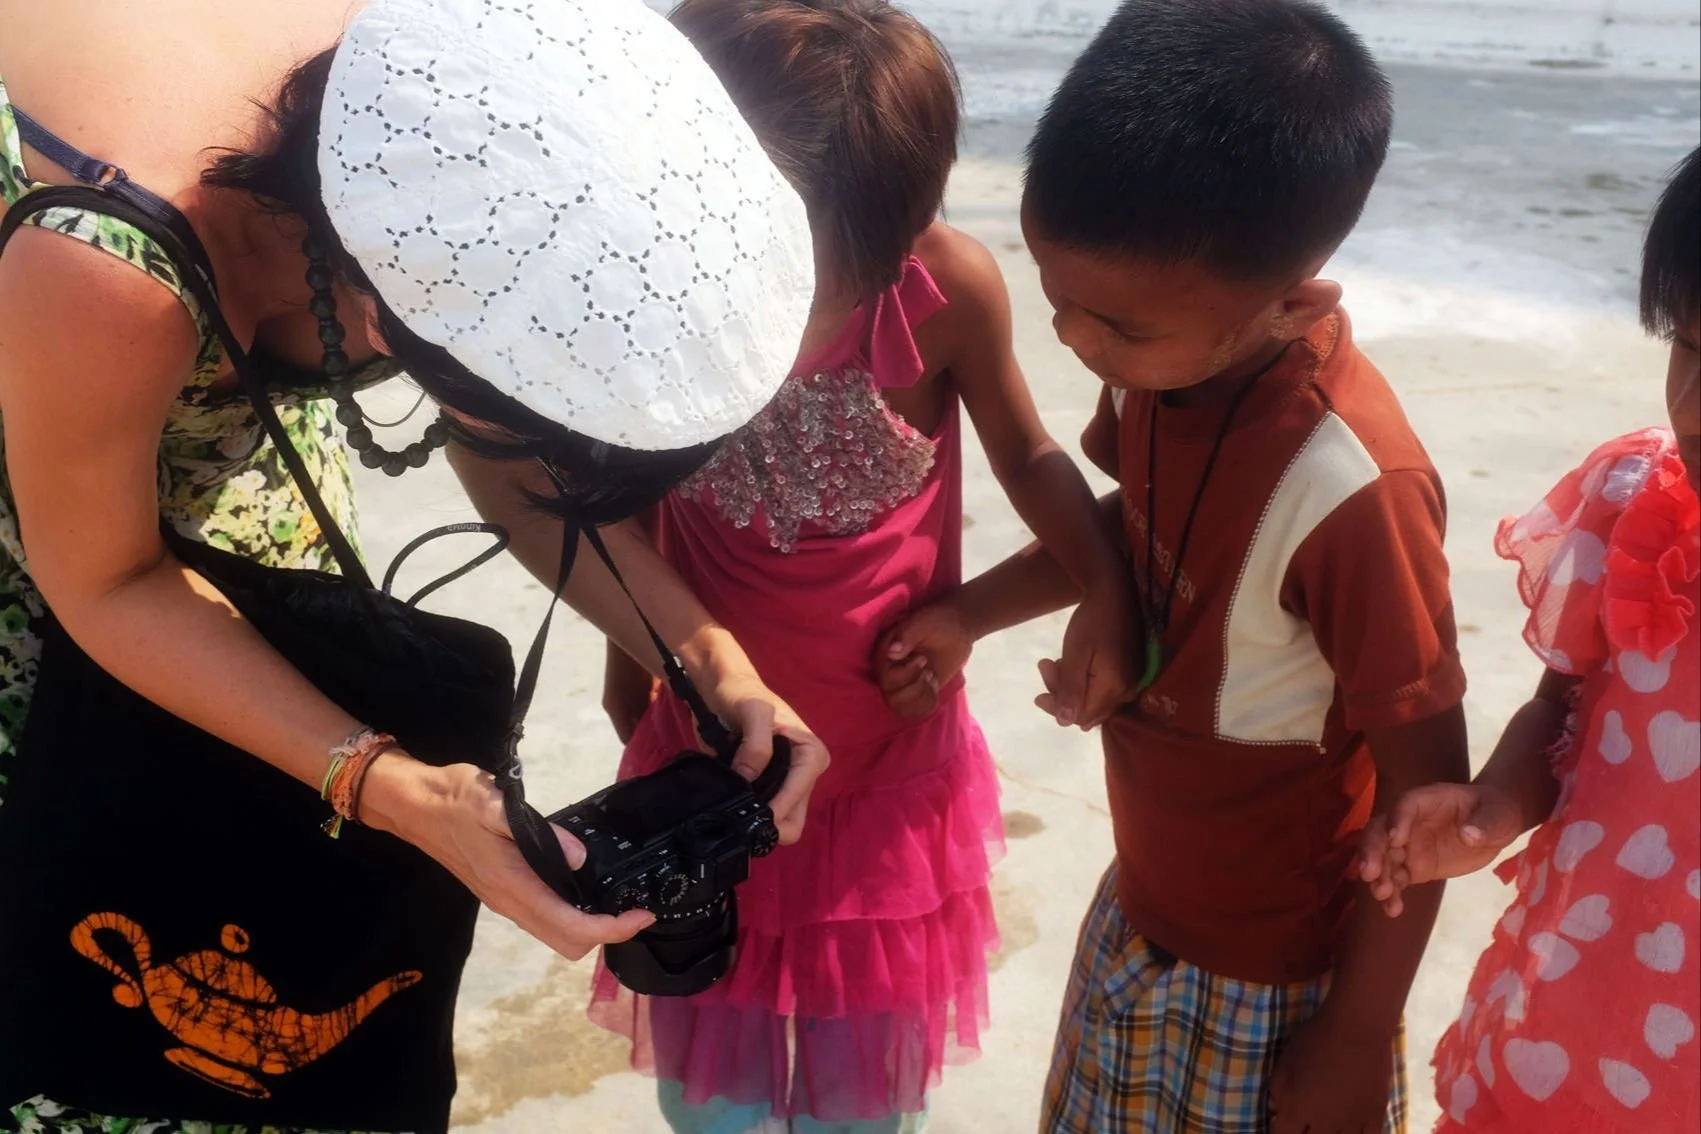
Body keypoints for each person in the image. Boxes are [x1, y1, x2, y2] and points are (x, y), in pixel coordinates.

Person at [0, 0, 831, 1130]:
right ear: (395, 327)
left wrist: (712, 665)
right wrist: (393, 788)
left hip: (239, 552)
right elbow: (104, 581)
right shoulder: (109, 265)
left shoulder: (448, 115)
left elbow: (509, 466)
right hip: (56, 584)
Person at [879, 2, 1474, 1131]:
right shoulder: (1170, 358)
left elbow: (1426, 797)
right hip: (1145, 905)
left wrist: (1351, 1041)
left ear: (1293, 304)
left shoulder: (1356, 492)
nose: (1077, 347)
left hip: (1278, 977)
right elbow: (1130, 517)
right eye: (1058, 304)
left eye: (1114, 329)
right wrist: (969, 615)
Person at [591, 2, 1135, 1130]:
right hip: (708, 758)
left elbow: (1034, 457)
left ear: (908, 226)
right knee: (713, 1100)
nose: (781, 311)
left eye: (820, 275)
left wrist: (1085, 600)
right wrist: (626, 661)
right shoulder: (660, 298)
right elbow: (621, 513)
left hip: (890, 770)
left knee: (858, 1106)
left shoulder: (948, 296)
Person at [1359, 145, 1700, 1133]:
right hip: (1574, 1017)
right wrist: (1492, 808)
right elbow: (1564, 710)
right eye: (1689, 344)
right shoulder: (1639, 508)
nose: (1694, 406)